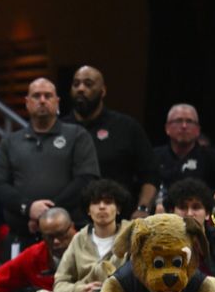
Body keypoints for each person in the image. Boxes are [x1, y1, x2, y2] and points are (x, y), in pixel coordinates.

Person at [0, 77, 100, 253]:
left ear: (57, 102)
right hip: (23, 235)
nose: (42, 100)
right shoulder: (10, 141)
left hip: (69, 235)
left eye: (48, 96)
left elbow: (86, 179)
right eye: (36, 96)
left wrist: (46, 214)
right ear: (27, 103)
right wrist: (28, 208)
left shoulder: (77, 135)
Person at [63, 65, 158, 217]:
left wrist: (143, 208)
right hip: (70, 221)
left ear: (103, 91)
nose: (80, 89)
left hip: (119, 218)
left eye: (88, 84)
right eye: (76, 84)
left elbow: (150, 174)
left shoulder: (126, 127)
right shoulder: (61, 129)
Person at [153, 103, 215, 195]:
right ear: (167, 128)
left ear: (198, 130)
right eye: (178, 121)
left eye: (189, 121)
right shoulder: (153, 157)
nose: (184, 126)